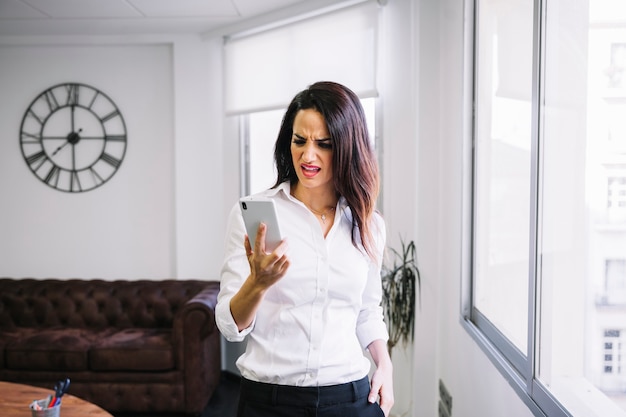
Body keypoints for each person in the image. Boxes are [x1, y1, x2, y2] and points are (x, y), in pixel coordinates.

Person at [216, 81, 394, 417]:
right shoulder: (257, 216)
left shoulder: (368, 224)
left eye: (323, 144)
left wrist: (385, 366)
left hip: (350, 397)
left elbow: (368, 311)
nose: (307, 155)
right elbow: (229, 325)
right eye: (300, 141)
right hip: (269, 401)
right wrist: (257, 283)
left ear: (347, 147)